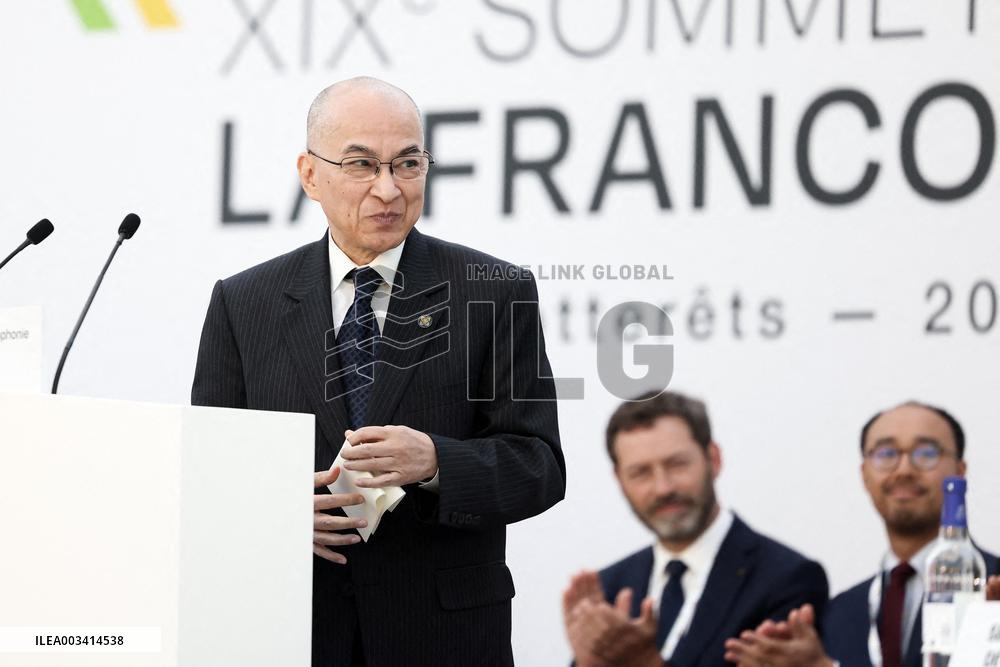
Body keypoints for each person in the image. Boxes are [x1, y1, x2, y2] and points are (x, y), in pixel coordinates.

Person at [192, 76, 565, 666]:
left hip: (444, 637)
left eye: (408, 163)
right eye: (362, 164)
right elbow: (206, 474)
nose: (388, 190)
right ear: (310, 174)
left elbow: (540, 467)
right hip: (292, 628)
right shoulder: (245, 303)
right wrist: (273, 514)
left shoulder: (494, 292)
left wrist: (438, 461)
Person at [724, 401, 1000, 667]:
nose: (904, 469)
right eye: (886, 454)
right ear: (865, 474)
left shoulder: (993, 589)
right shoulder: (840, 613)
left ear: (959, 473)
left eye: (926, 453)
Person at [562, 391, 828, 666]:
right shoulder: (611, 588)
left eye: (677, 464)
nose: (663, 487)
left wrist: (644, 663)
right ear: (619, 480)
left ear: (712, 459)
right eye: (641, 472)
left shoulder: (786, 579)